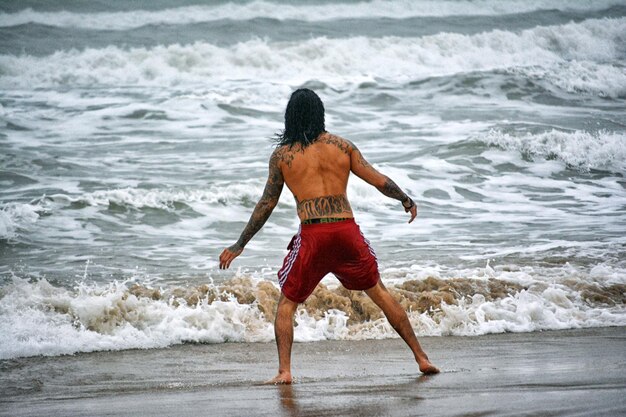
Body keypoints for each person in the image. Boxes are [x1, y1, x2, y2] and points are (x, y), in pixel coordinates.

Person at [219, 88, 439, 384]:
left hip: (314, 235)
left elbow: (266, 203)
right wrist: (406, 199)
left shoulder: (283, 156)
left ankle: (285, 372)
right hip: (346, 231)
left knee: (287, 303)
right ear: (320, 113)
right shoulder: (343, 147)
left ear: (290, 117)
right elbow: (379, 180)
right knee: (381, 293)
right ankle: (421, 357)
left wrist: (239, 243)